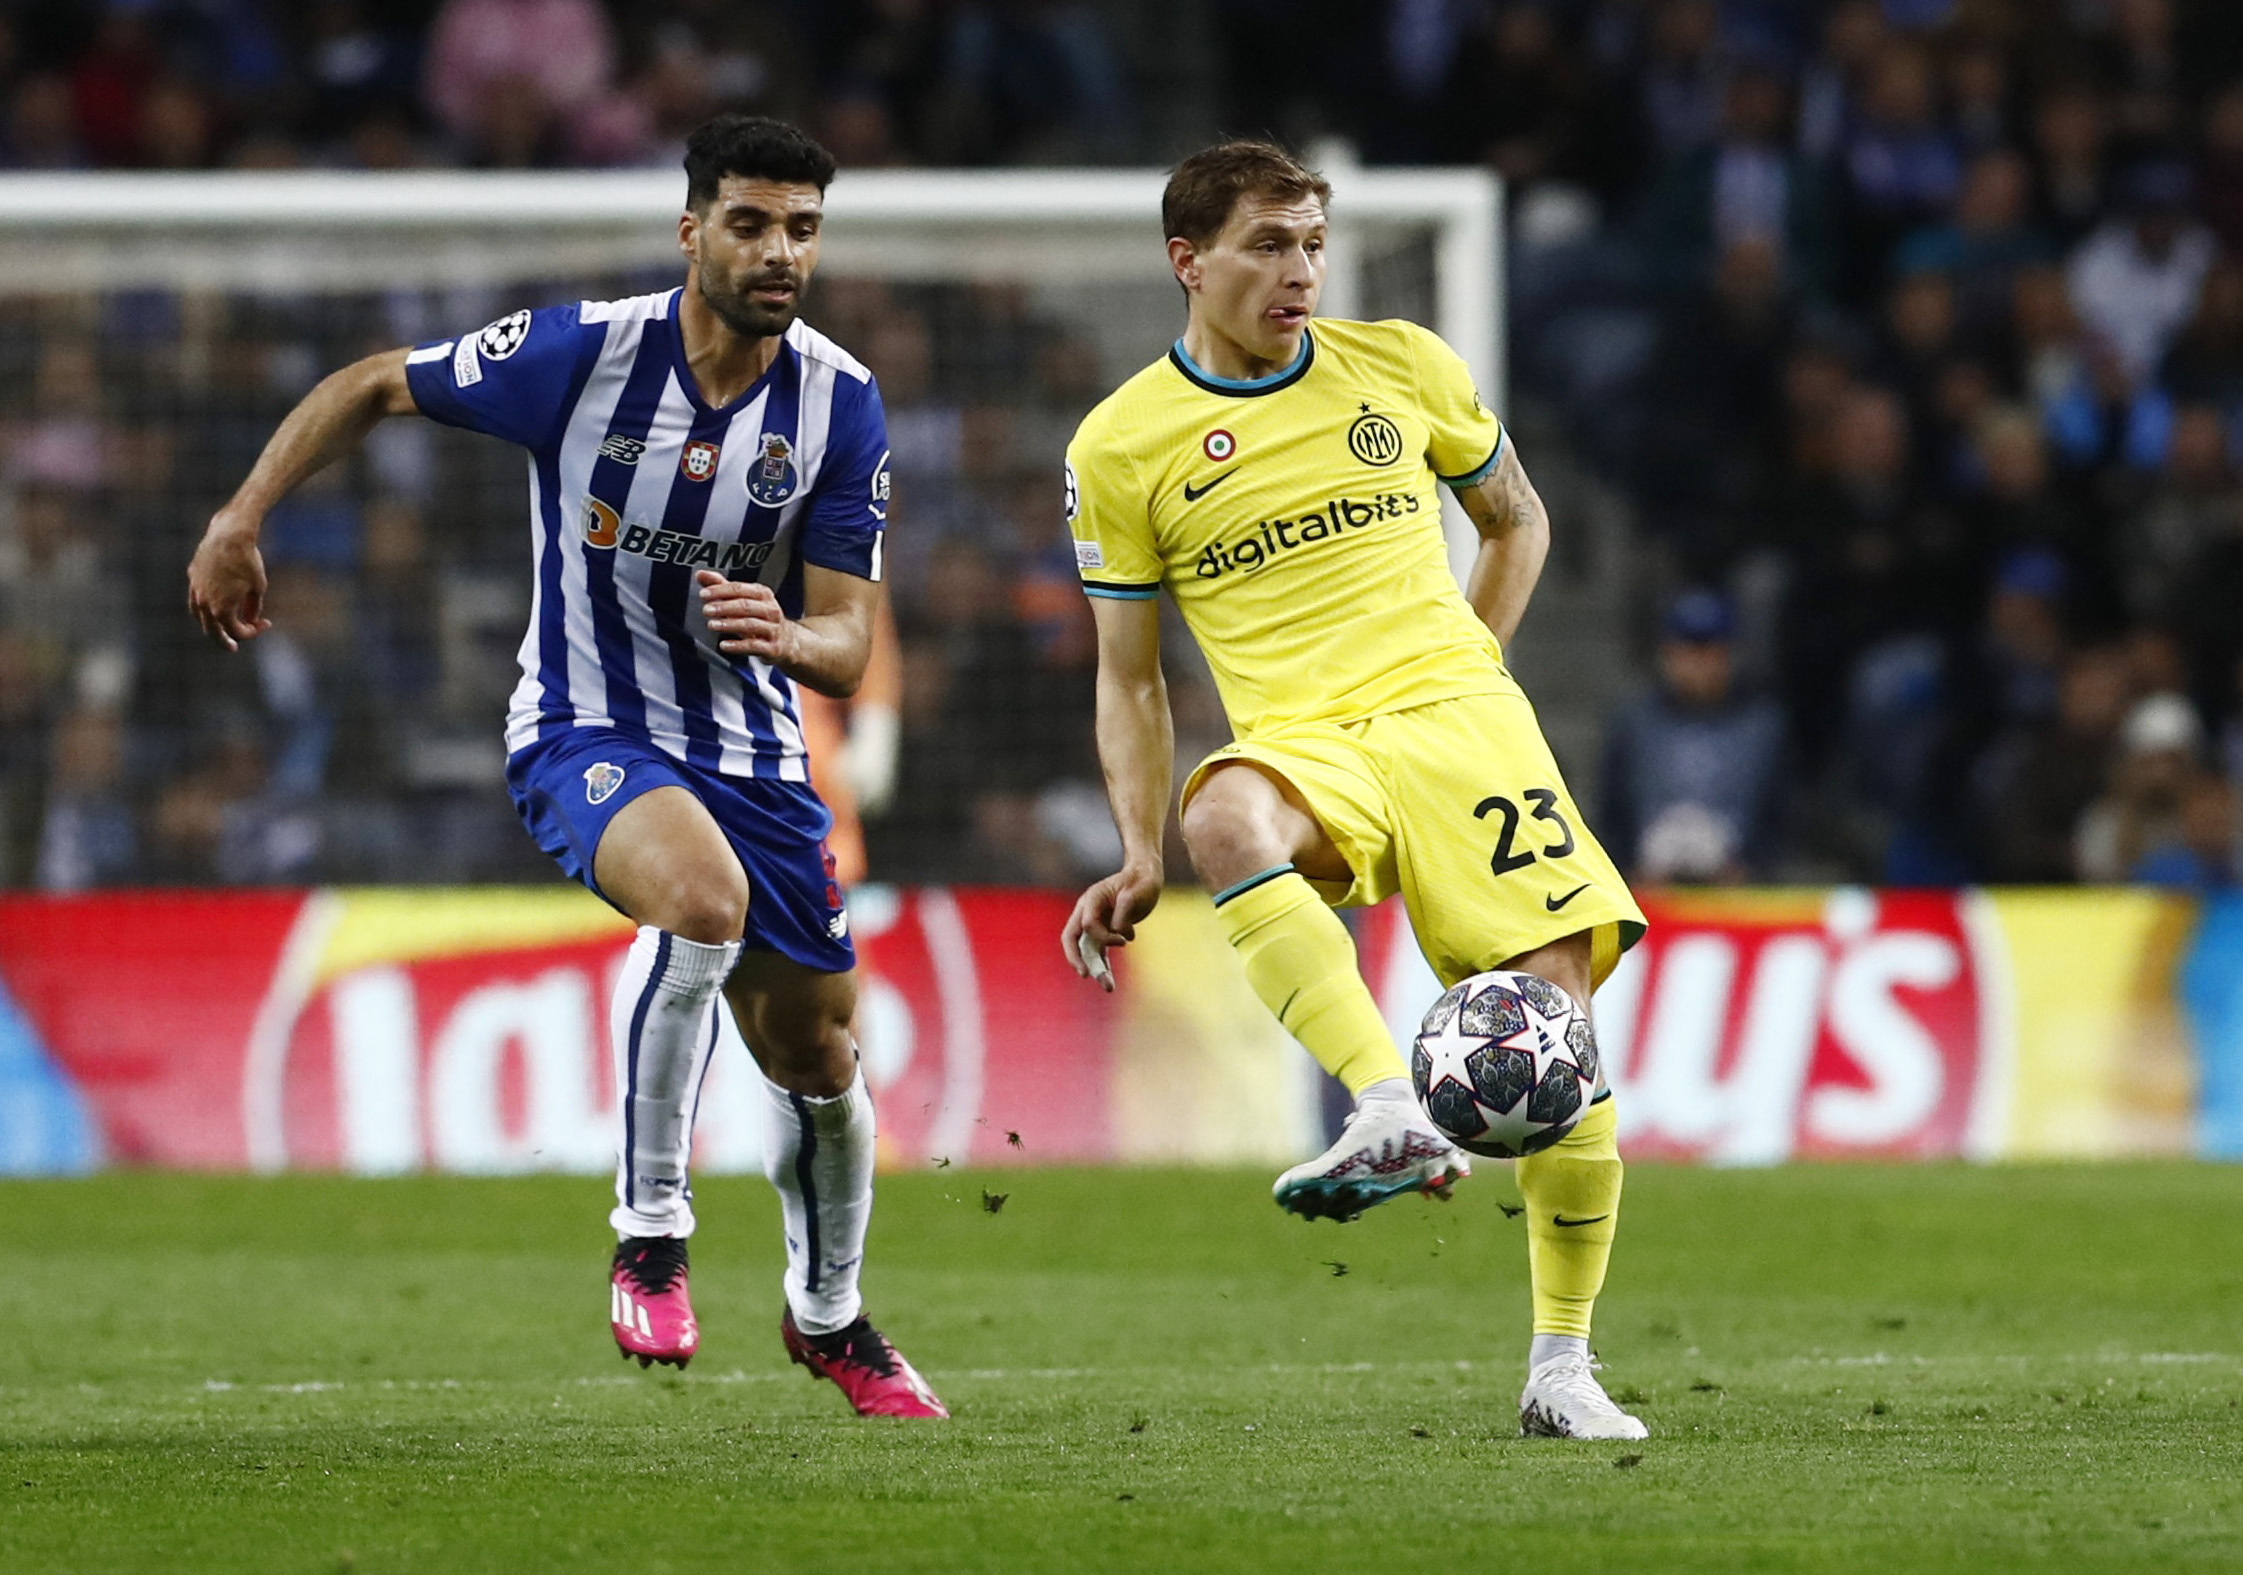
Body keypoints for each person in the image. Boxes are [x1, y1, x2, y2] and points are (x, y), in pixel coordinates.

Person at [185, 115, 945, 1420]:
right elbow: (375, 381)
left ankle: (830, 1317)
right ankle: (651, 1233)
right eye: (753, 223)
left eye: (804, 229)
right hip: (586, 728)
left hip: (758, 761)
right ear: (691, 229)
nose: (781, 253)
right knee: (698, 904)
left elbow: (850, 638)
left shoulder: (839, 402)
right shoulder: (579, 355)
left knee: (819, 1054)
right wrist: (240, 516)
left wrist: (791, 634)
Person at [1058, 142, 1649, 1441]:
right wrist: (1136, 845)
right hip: (1310, 739)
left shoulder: (1404, 366)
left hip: (1461, 723)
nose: (1301, 270)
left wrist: (1469, 674)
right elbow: (1130, 675)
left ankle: (1562, 1370)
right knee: (1224, 817)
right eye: (1269, 244)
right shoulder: (1122, 445)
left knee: (1555, 1033)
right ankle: (1390, 1107)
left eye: (1314, 242)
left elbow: (1517, 520)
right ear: (1188, 260)